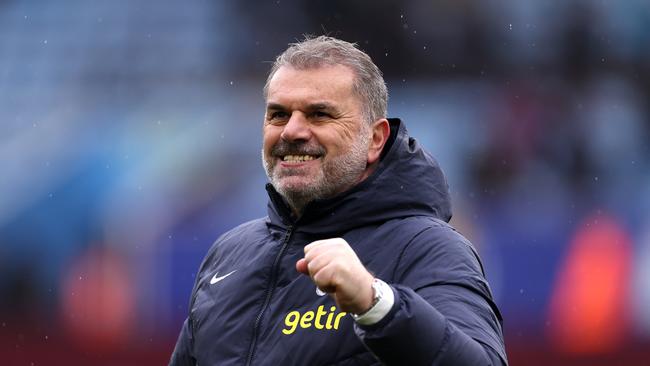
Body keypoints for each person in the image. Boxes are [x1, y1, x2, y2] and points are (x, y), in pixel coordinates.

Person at [170, 35, 508, 366]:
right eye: (278, 114)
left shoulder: (426, 247)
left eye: (319, 114)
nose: (291, 131)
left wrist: (375, 303)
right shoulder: (229, 254)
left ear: (375, 139)